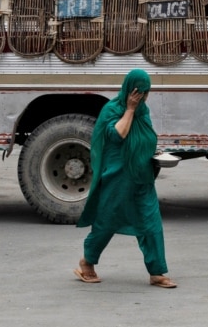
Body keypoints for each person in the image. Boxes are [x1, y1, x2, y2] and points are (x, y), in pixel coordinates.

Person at [74, 68, 176, 288]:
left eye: (147, 93)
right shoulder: (113, 109)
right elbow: (117, 134)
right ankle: (87, 262)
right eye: (140, 93)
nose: (144, 98)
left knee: (151, 224)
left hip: (142, 176)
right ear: (131, 91)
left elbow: (144, 136)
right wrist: (129, 109)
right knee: (106, 222)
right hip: (118, 179)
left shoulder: (144, 111)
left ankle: (157, 272)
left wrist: (153, 152)